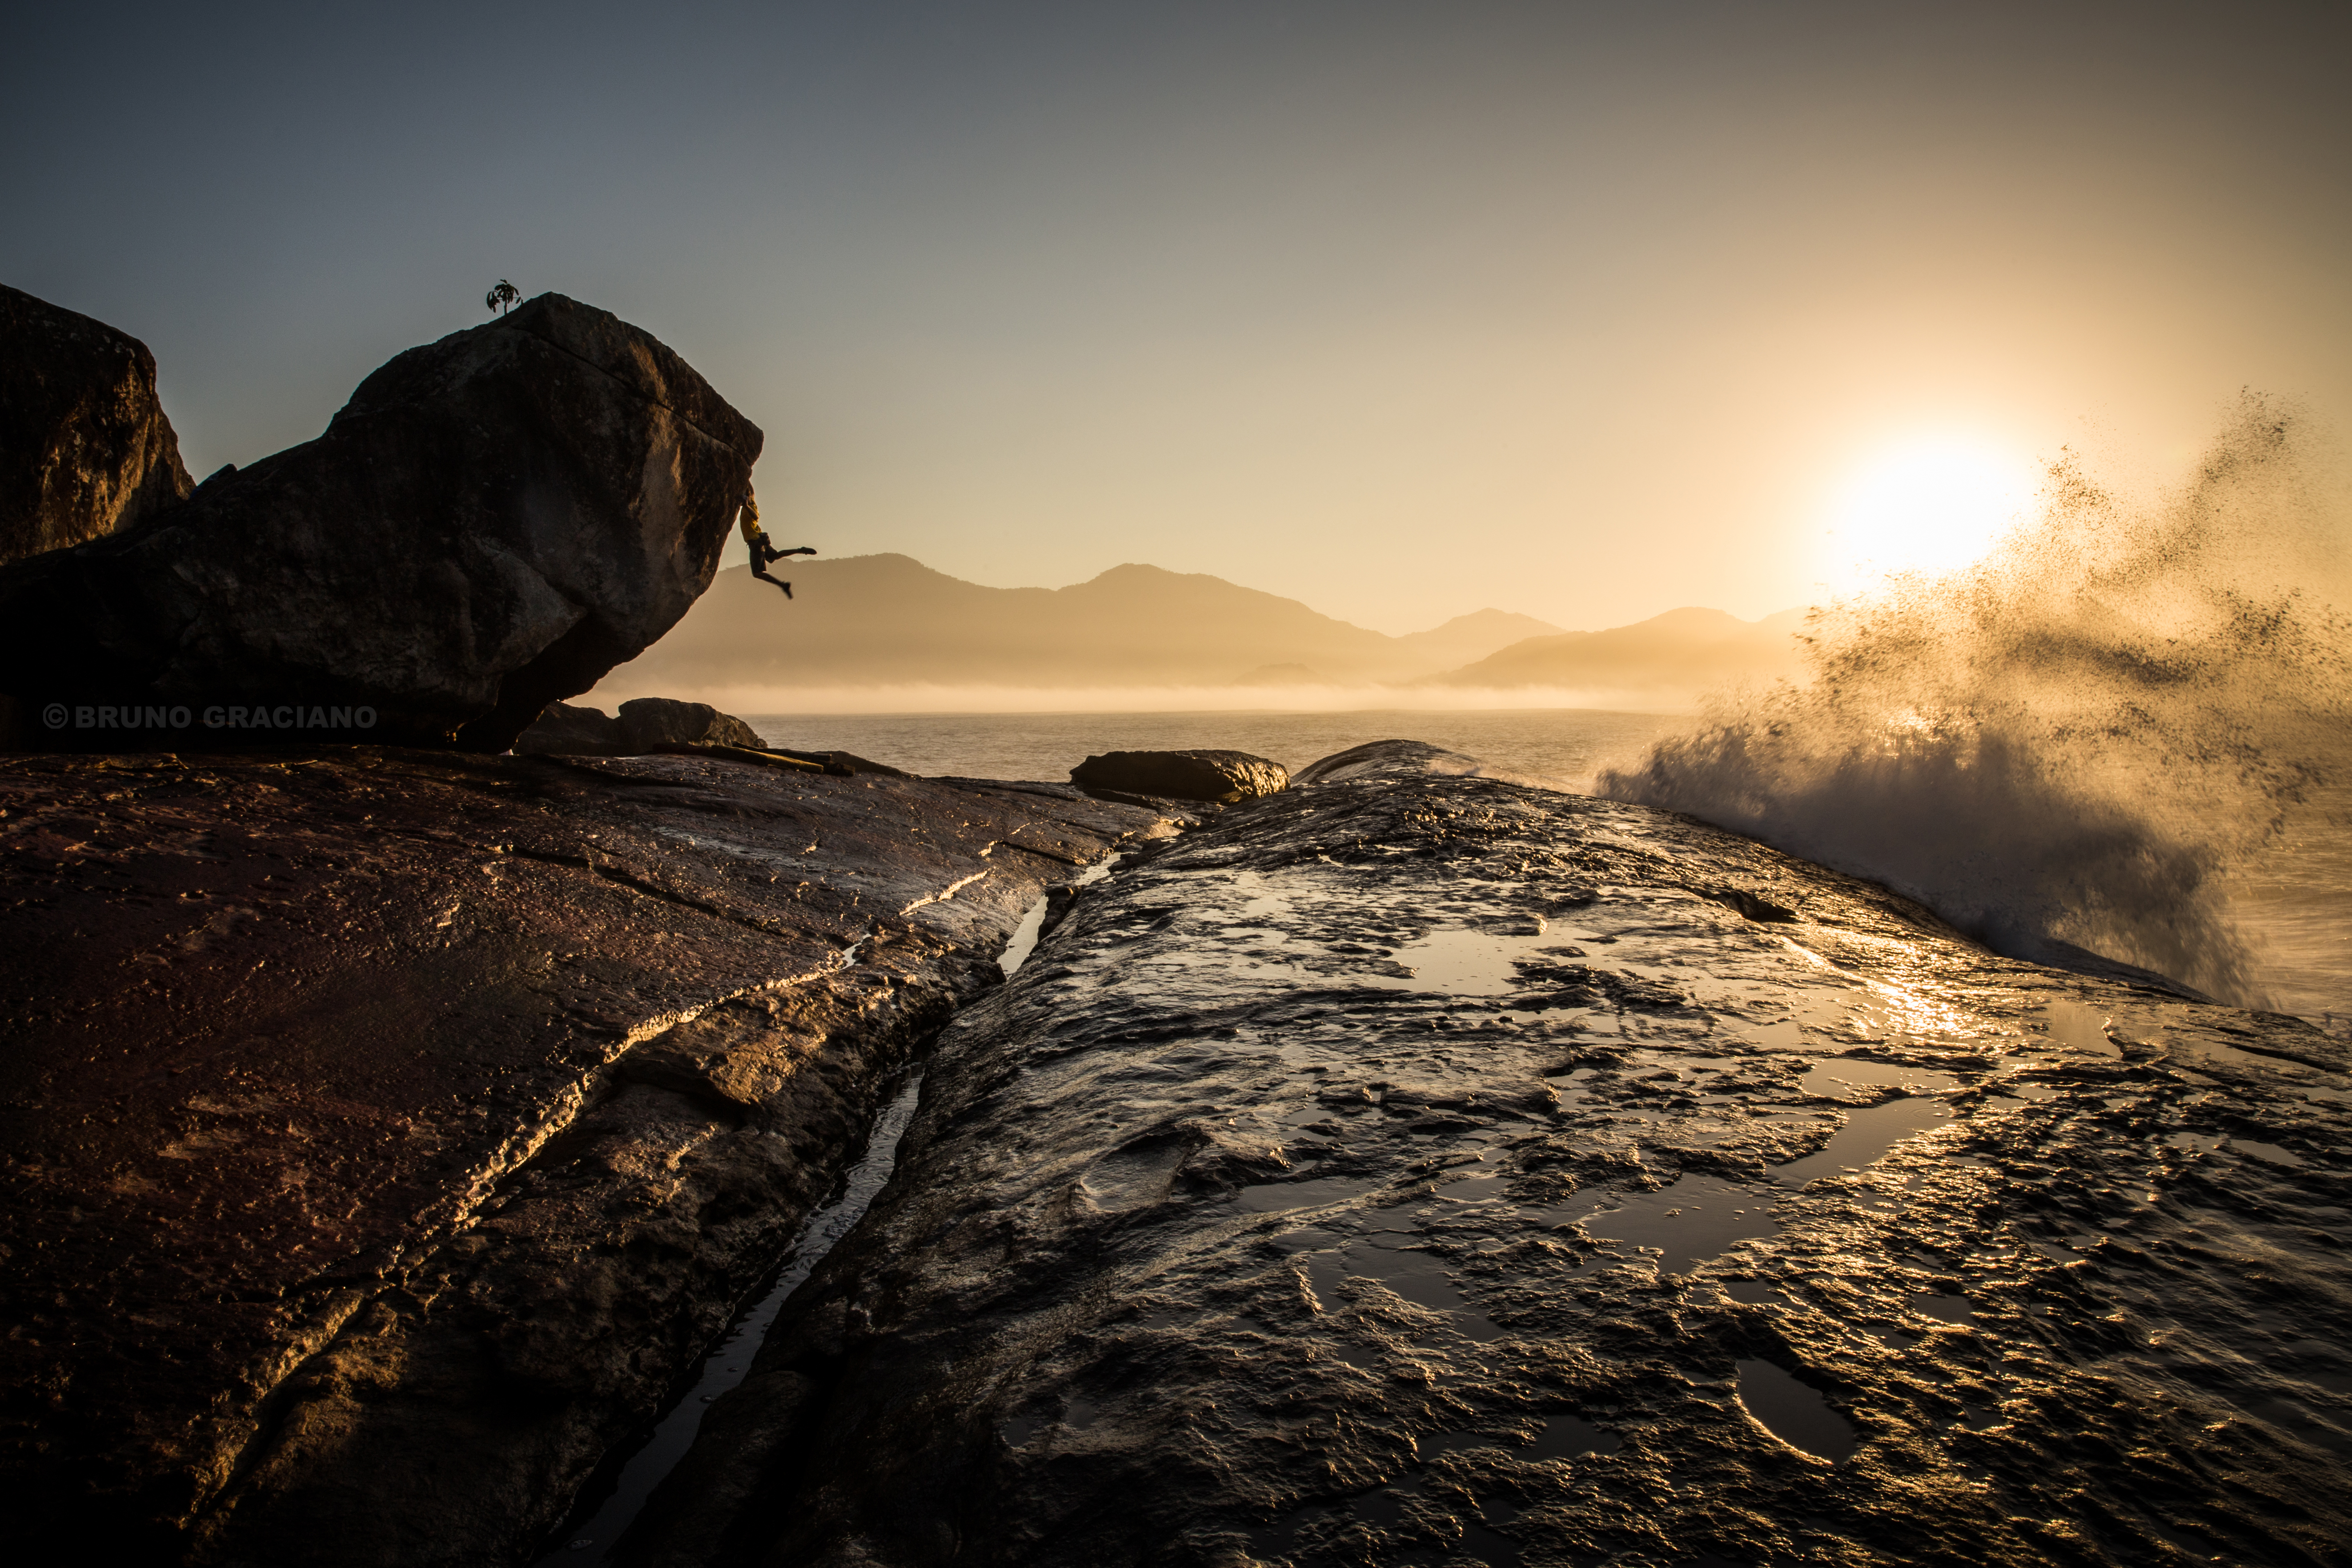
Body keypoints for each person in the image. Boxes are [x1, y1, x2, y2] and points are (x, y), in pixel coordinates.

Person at [738, 493, 815, 598]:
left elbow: (756, 517)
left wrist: (746, 505)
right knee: (776, 556)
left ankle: (783, 585)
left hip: (756, 543)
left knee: (757, 573)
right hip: (761, 539)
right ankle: (800, 550)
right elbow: (751, 489)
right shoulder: (753, 501)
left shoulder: (750, 507)